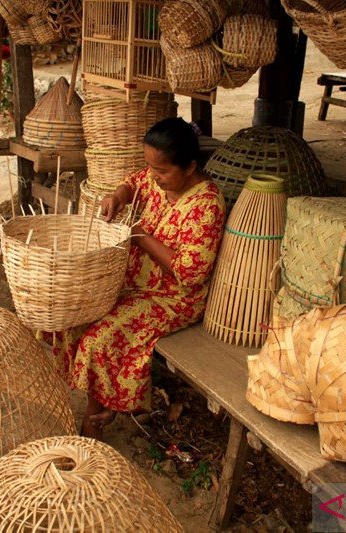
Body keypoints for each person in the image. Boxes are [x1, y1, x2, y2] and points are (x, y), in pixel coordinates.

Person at [53, 117, 226, 439]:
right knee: (73, 312)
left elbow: (190, 273)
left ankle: (93, 425)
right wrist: (118, 196)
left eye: (162, 171)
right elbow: (134, 181)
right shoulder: (157, 177)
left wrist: (139, 236)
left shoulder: (207, 205)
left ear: (190, 167)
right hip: (133, 280)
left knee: (100, 338)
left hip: (173, 297)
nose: (154, 177)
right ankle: (108, 398)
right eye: (151, 167)